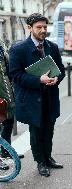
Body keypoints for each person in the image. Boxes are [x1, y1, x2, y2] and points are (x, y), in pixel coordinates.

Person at [9, 13, 65, 177]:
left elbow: (61, 70)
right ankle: (40, 162)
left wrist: (57, 78)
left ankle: (48, 158)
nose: (43, 30)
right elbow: (15, 75)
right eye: (39, 27)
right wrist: (38, 79)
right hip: (32, 99)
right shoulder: (18, 49)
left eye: (45, 27)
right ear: (29, 28)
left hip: (50, 97)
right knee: (36, 132)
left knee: (49, 130)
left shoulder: (52, 47)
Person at [0, 41, 24, 171]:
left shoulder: (1, 48)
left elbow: (7, 71)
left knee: (8, 122)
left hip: (6, 93)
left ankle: (6, 151)